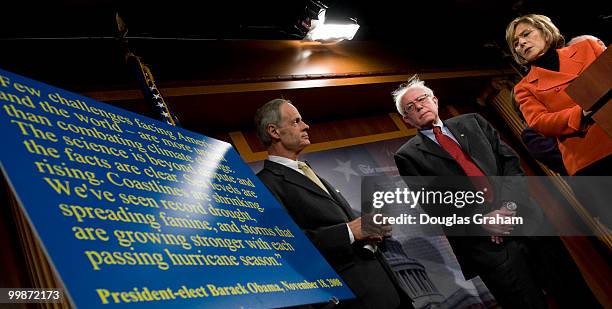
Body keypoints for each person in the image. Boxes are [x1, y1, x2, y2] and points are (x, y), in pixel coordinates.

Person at [392, 75, 600, 309]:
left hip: (529, 222)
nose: (419, 106)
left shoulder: (473, 122)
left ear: (435, 101)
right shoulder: (407, 156)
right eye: (410, 107)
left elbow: (510, 163)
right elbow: (434, 204)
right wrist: (482, 221)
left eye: (422, 99)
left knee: (575, 294)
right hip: (489, 247)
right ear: (407, 119)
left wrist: (507, 208)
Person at [254, 99, 413, 309]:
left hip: (388, 289)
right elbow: (286, 246)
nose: (305, 126)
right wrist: (349, 231)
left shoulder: (306, 171)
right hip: (353, 298)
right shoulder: (264, 184)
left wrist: (370, 230)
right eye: (296, 122)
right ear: (274, 131)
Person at [506, 14, 612, 176]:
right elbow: (540, 122)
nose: (521, 43)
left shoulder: (587, 46)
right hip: (590, 158)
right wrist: (580, 113)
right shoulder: (524, 88)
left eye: (526, 34)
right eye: (516, 44)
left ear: (545, 31)